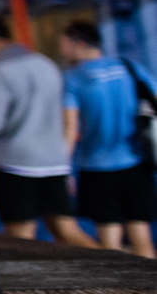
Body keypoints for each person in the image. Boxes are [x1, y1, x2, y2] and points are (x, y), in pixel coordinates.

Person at [0, 16, 97, 247]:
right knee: (66, 230)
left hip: (17, 163)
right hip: (54, 160)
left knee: (21, 239)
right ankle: (114, 268)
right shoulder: (45, 63)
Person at [59, 21, 157, 258]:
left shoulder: (74, 78)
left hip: (97, 167)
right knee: (142, 236)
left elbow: (70, 128)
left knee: (110, 244)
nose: (62, 51)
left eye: (64, 45)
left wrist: (62, 168)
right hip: (136, 161)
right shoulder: (129, 66)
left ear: (79, 45)